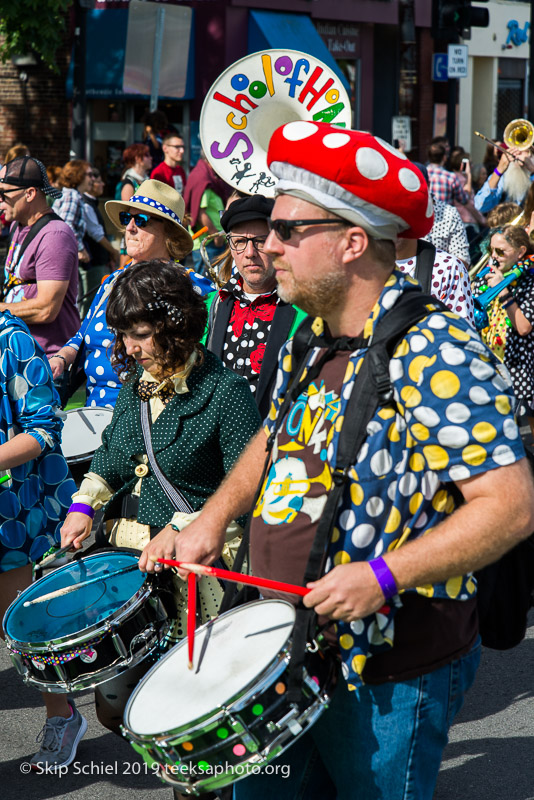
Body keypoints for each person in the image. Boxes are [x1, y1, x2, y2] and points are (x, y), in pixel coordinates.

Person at [139, 122, 534, 800]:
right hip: (282, 653)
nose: (267, 245)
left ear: (354, 243)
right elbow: (273, 437)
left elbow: (512, 505)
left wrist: (384, 575)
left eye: (289, 230)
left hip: (388, 671)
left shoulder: (433, 348)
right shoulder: (315, 337)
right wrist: (210, 517)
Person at [60, 259, 260, 736]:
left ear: (176, 325)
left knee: (193, 715)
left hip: (200, 571)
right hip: (131, 562)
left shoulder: (226, 391)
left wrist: (182, 528)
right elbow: (109, 459)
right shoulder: (136, 388)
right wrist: (83, 506)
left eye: (142, 334)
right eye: (124, 334)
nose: (130, 347)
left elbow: (248, 488)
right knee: (118, 707)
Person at [0, 310, 85, 772]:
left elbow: (44, 428)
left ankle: (63, 714)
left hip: (11, 514)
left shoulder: (11, 338)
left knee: (21, 631)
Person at [49, 179, 213, 408]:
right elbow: (82, 335)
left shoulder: (190, 286)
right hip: (93, 411)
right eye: (127, 218)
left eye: (142, 220)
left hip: (148, 418)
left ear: (169, 233)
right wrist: (62, 356)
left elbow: (200, 361)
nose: (130, 227)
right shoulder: (113, 280)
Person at [205, 194, 307, 418]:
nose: (249, 253)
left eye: (260, 241)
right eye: (240, 242)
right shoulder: (212, 305)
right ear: (231, 248)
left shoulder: (304, 311)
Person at [0, 156, 80, 356]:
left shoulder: (55, 235)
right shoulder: (17, 227)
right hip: (18, 355)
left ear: (29, 193)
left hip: (48, 361)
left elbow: (46, 309)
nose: (0, 201)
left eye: (3, 194)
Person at [474, 225, 534, 434]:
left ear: (520, 252)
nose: (493, 256)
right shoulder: (484, 276)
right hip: (488, 363)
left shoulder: (529, 281)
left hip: (519, 367)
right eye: (491, 250)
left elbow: (524, 327)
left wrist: (504, 292)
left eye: (501, 251)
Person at [412, 162, 471, 266]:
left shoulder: (449, 214)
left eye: (417, 184)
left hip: (439, 279)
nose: (412, 190)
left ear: (428, 185)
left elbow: (463, 260)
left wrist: (434, 269)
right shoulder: (396, 213)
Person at [80, 167, 120, 316]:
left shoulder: (91, 204)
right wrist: (113, 251)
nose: (103, 184)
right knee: (90, 301)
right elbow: (97, 235)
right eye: (99, 181)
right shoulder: (86, 204)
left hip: (98, 259)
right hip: (92, 261)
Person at [183, 151, 230, 273]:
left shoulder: (206, 177)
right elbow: (200, 213)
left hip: (212, 242)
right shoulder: (203, 179)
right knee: (208, 286)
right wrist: (216, 236)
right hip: (208, 243)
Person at [475, 145, 534, 214]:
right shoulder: (503, 177)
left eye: (523, 150)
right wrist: (498, 170)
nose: (517, 153)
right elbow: (481, 206)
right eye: (514, 149)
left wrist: (532, 169)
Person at [427, 142, 469, 206]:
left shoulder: (421, 174)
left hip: (428, 214)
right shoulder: (450, 177)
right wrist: (468, 177)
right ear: (444, 158)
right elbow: (463, 199)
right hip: (445, 215)